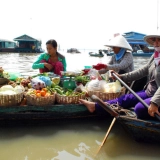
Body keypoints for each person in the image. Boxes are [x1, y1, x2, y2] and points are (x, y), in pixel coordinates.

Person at [79, 34, 160, 119]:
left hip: (157, 96)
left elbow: (121, 66)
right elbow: (142, 71)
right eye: (155, 40)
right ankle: (95, 106)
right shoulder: (155, 56)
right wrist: (121, 77)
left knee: (139, 109)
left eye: (159, 40)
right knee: (126, 98)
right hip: (150, 92)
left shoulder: (128, 55)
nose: (156, 43)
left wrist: (154, 103)